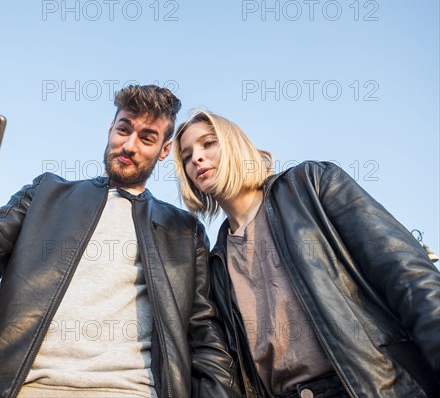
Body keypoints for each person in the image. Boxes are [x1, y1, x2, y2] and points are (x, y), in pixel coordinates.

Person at [0, 86, 241, 398]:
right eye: (123, 129)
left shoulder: (183, 229)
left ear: (163, 150)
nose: (129, 145)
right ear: (109, 128)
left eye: (147, 137)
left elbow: (202, 332)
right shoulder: (45, 194)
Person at [173, 109, 440, 398]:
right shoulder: (216, 265)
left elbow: (407, 274)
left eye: (208, 143)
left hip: (373, 384)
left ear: (235, 144)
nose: (196, 158)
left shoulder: (310, 185)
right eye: (186, 156)